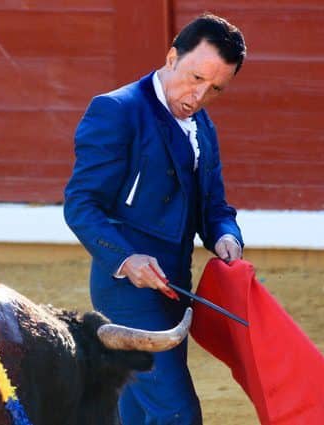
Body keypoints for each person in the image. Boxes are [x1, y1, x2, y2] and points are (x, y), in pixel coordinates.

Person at [63, 13, 246, 424]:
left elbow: (214, 206)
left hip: (174, 288)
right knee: (177, 412)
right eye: (195, 78)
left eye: (215, 88)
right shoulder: (117, 110)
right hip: (127, 291)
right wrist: (128, 259)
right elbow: (81, 204)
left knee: (138, 411)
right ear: (171, 57)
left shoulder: (202, 126)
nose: (198, 96)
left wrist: (225, 237)